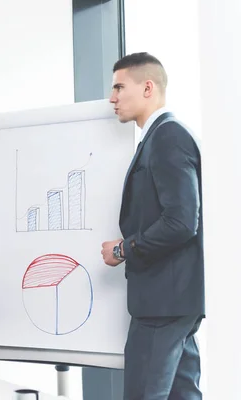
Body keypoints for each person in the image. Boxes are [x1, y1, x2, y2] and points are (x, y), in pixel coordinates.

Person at [101, 53, 204, 399]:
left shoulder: (167, 137)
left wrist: (123, 248)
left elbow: (181, 221)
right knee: (182, 394)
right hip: (173, 300)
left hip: (164, 302)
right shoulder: (159, 136)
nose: (112, 97)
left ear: (147, 88)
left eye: (119, 87)